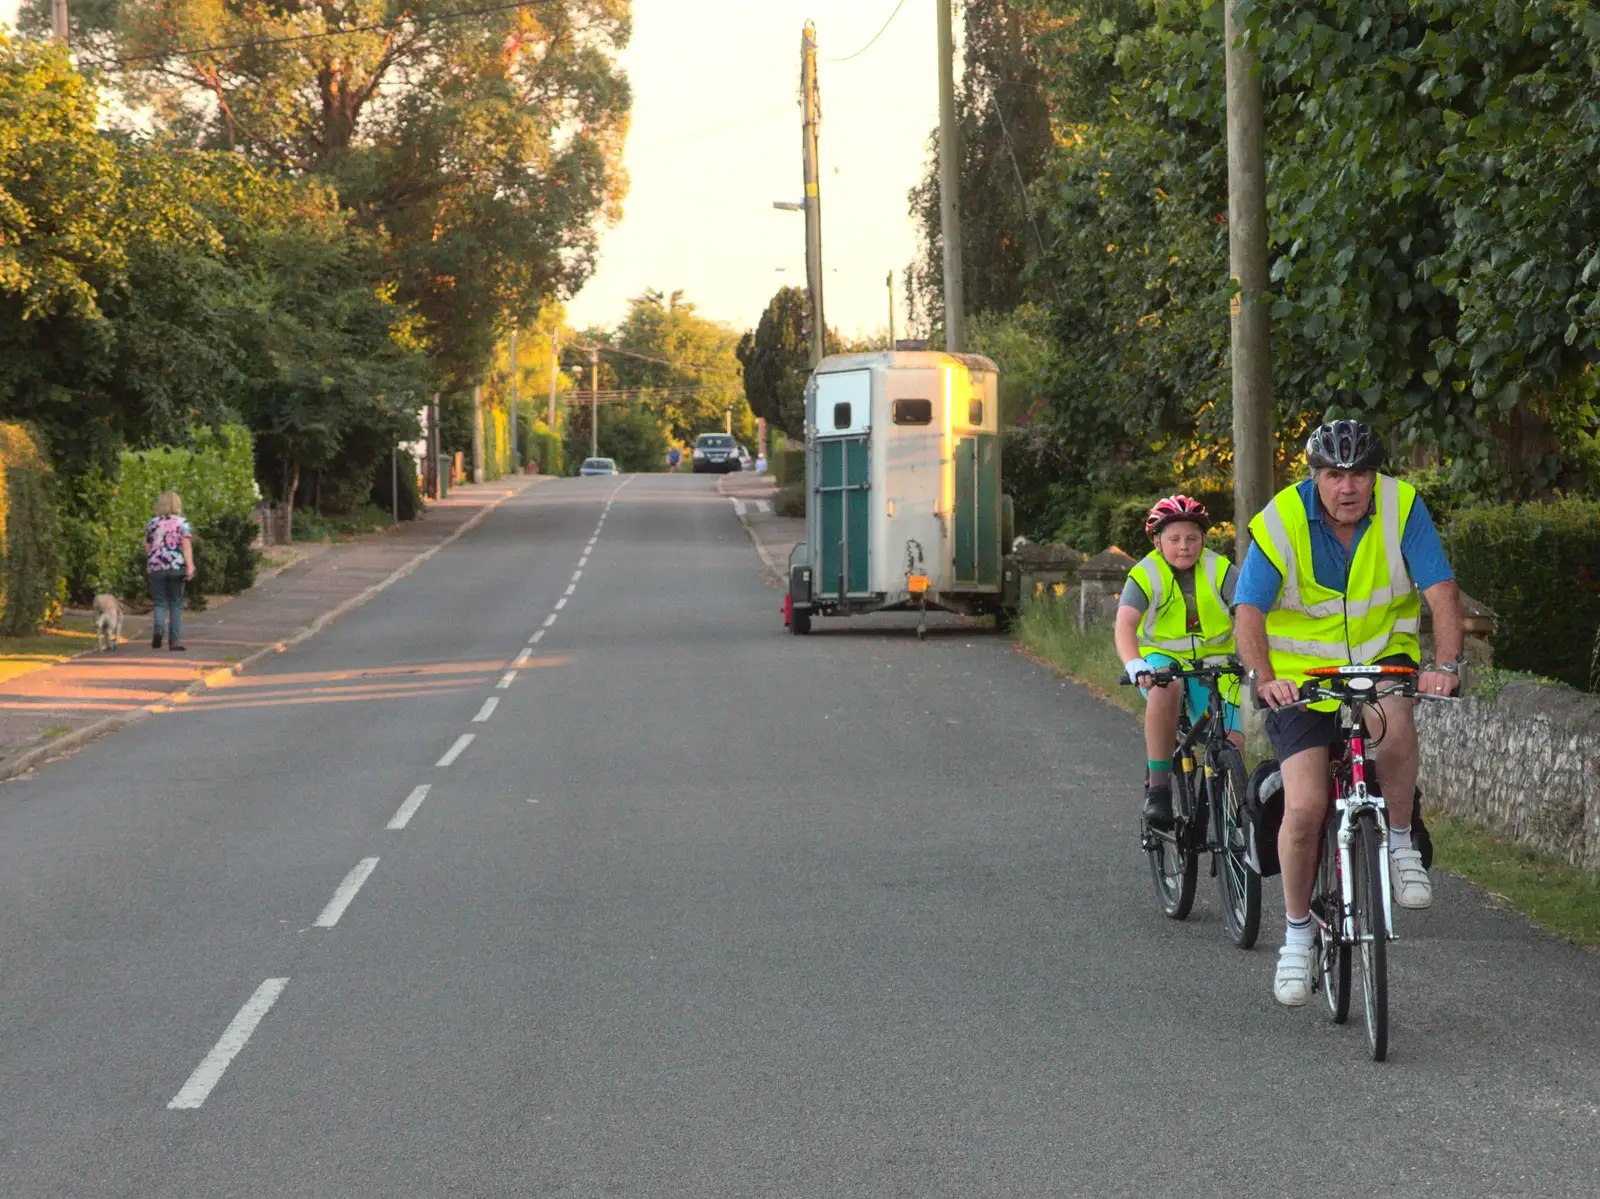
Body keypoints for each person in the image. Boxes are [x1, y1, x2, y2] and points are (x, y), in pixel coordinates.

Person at [1233, 419, 1464, 1007]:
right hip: (1301, 681)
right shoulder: (1281, 519)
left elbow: (1440, 590)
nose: (1349, 487)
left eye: (1360, 473)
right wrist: (1265, 680)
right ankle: (1296, 936)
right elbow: (1249, 613)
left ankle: (1403, 843)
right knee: (1306, 807)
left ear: (1374, 474)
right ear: (1316, 477)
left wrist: (1448, 663)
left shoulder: (1402, 507)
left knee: (1396, 727)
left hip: (1380, 660)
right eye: (1335, 475)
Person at [1114, 495, 1243, 829]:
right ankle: (1158, 789)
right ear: (1157, 542)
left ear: (1203, 539)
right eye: (1174, 539)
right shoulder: (1144, 573)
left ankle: (1231, 822)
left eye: (1192, 538)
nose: (1184, 547)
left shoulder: (1220, 568)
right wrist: (1134, 663)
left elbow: (1246, 611)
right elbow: (1126, 624)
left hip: (1214, 659)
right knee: (1166, 687)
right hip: (1163, 657)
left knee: (1234, 740)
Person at [144, 490, 195, 652]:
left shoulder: (152, 523)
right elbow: (186, 546)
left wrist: (154, 557)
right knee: (176, 604)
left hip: (156, 566)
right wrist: (190, 565)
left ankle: (158, 630)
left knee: (159, 602)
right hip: (176, 566)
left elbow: (147, 546)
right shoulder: (182, 523)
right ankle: (174, 641)